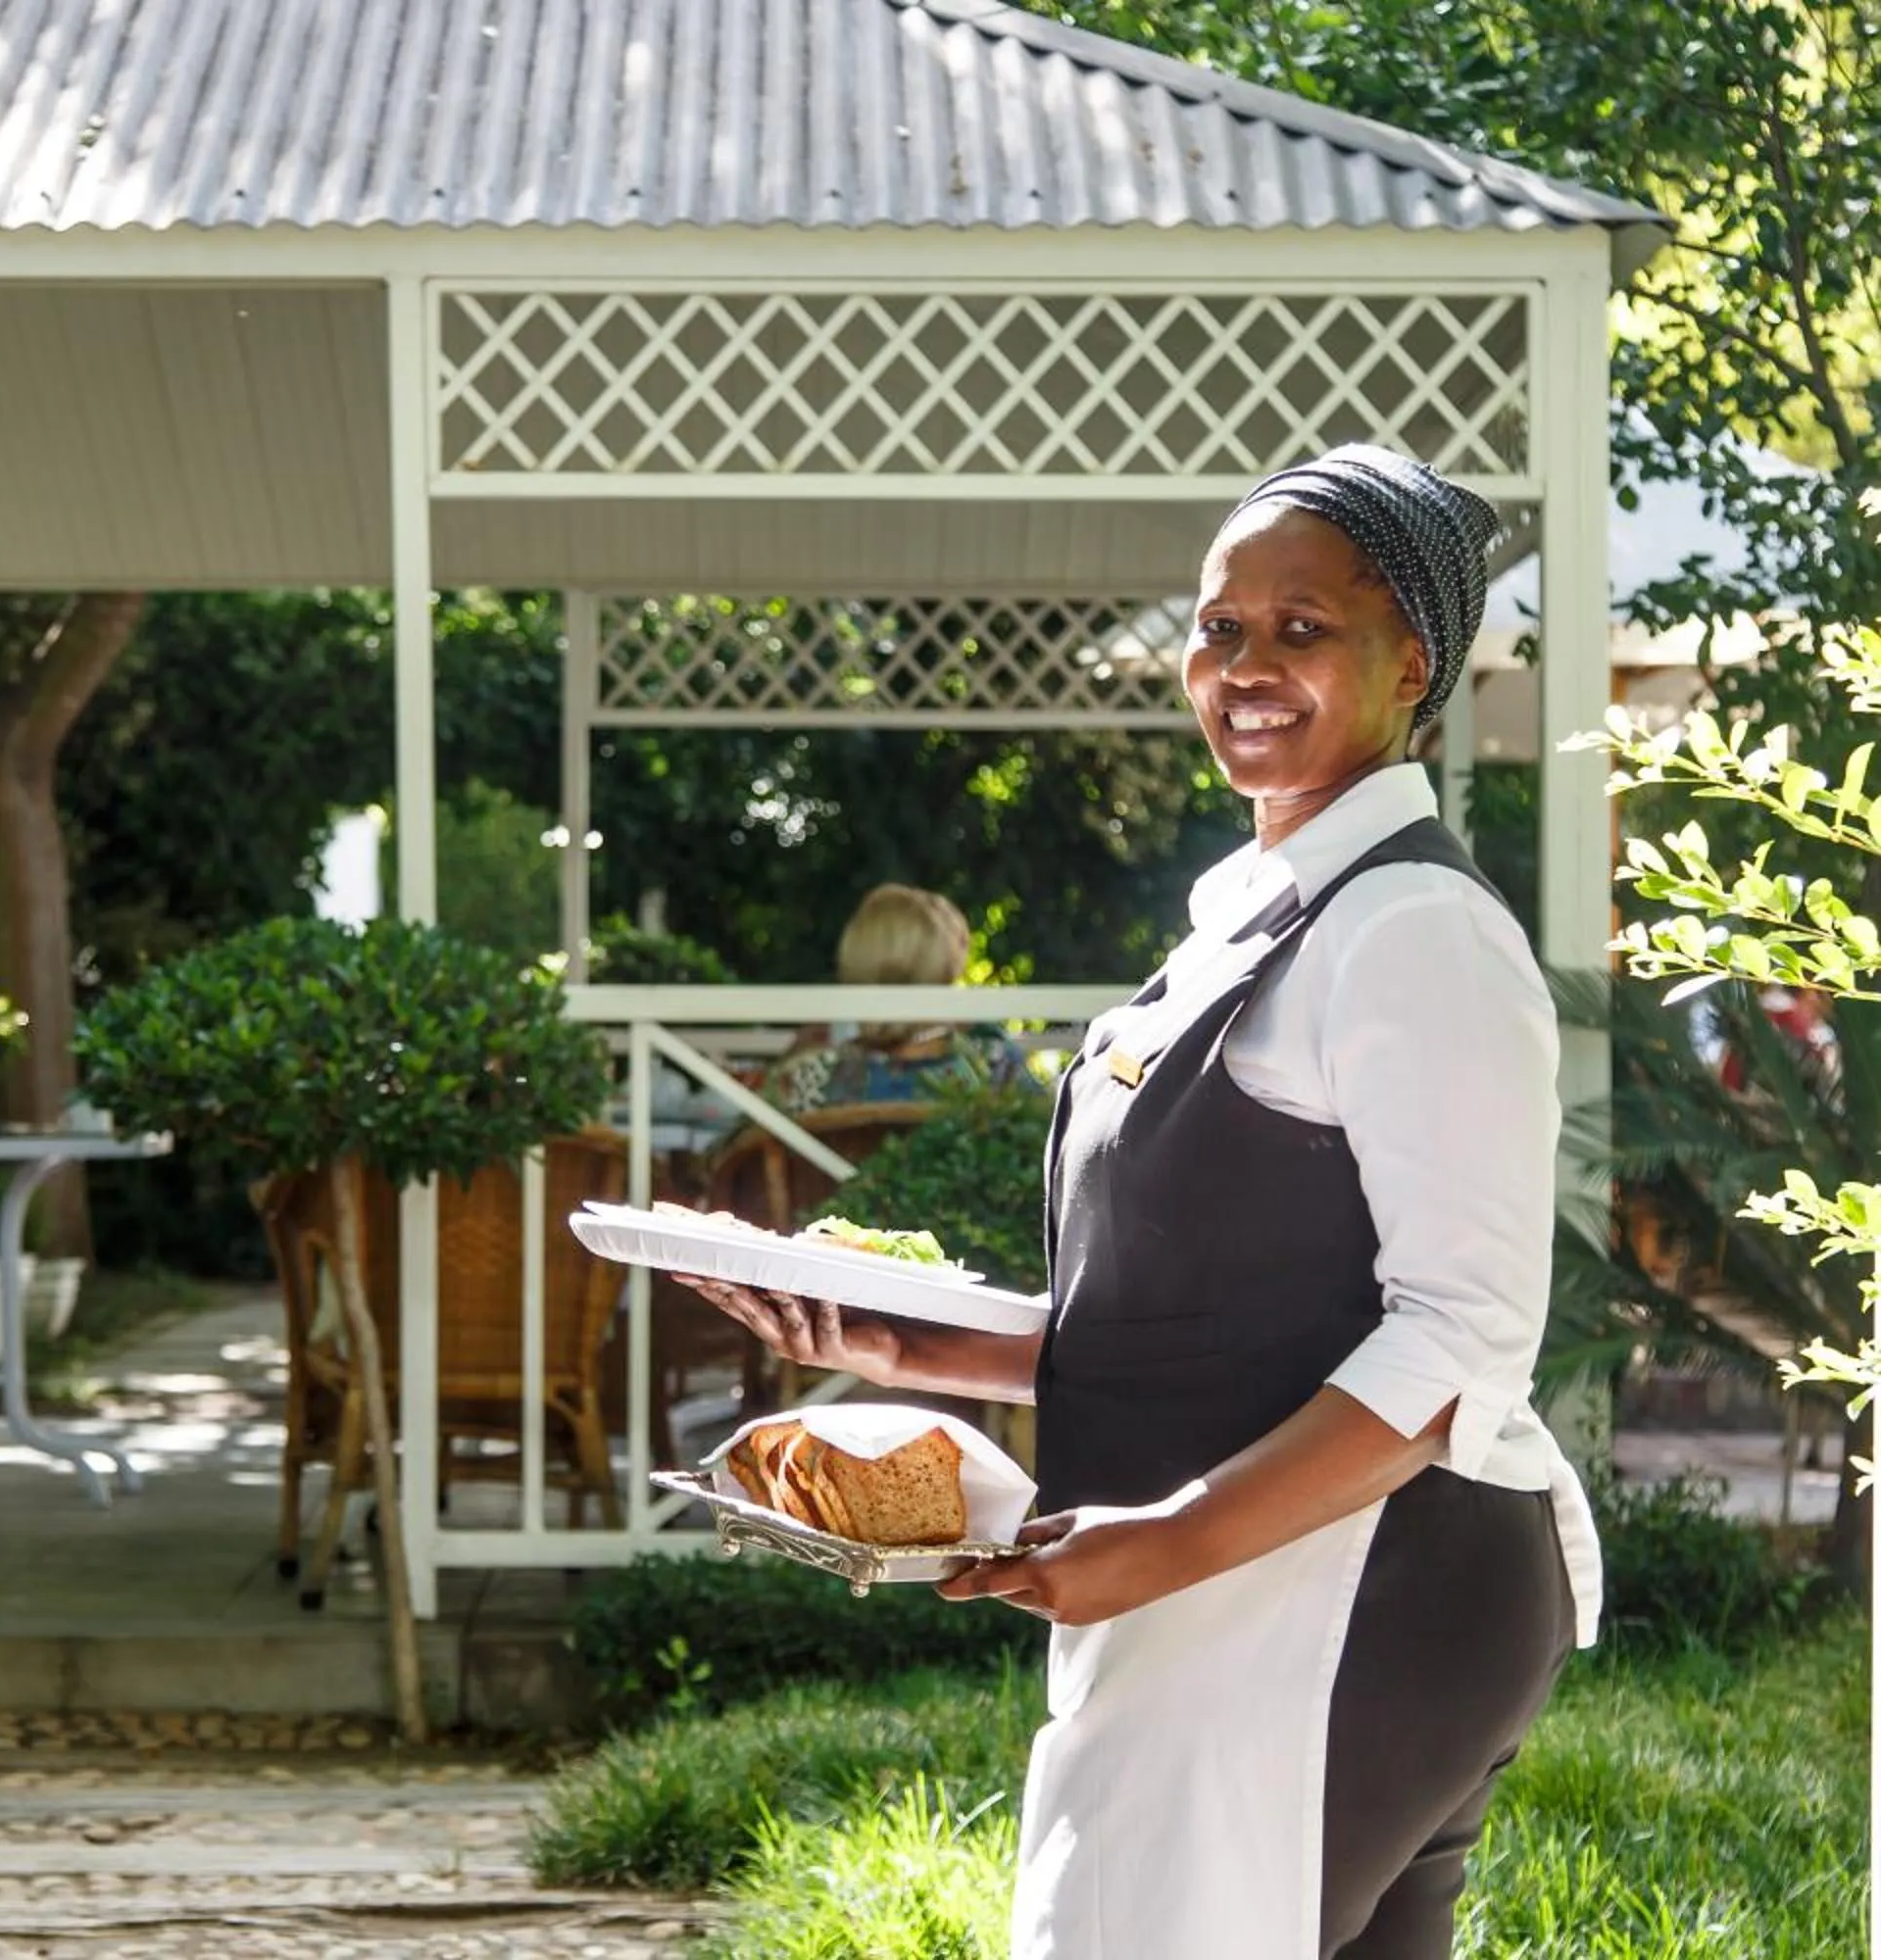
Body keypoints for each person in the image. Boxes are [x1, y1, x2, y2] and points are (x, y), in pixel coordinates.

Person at [681, 446, 1599, 1960]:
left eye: (1301, 629)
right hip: (1248, 1582)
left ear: (1412, 665)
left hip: (1347, 1593)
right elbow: (1218, 1308)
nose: (1242, 666)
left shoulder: (1415, 929)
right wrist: (934, 1347)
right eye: (1218, 625)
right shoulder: (1259, 915)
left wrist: (1168, 1537)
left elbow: (1461, 1342)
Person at [765, 883, 1027, 1111]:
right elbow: (1048, 1144)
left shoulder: (809, 1075)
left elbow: (742, 1153)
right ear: (944, 970)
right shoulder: (992, 1064)